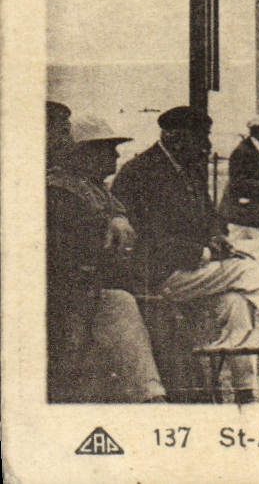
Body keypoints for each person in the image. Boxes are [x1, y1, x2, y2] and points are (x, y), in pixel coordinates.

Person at [111, 106, 259, 405]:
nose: (207, 146)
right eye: (201, 137)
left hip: (188, 272)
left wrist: (215, 237)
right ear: (174, 137)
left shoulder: (188, 166)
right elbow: (148, 239)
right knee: (244, 269)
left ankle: (245, 391)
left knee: (236, 303)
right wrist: (206, 251)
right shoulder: (139, 174)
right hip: (156, 277)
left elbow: (210, 215)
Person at [47, 110, 167, 403]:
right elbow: (79, 256)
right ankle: (150, 397)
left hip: (97, 287)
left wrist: (118, 217)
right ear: (82, 153)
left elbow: (115, 209)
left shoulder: (90, 186)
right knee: (122, 304)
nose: (115, 155)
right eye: (106, 148)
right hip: (76, 295)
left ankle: (155, 393)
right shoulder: (61, 193)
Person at [219, 114, 259, 241]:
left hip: (253, 213)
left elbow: (257, 172)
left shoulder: (257, 150)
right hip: (244, 212)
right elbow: (237, 182)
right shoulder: (243, 151)